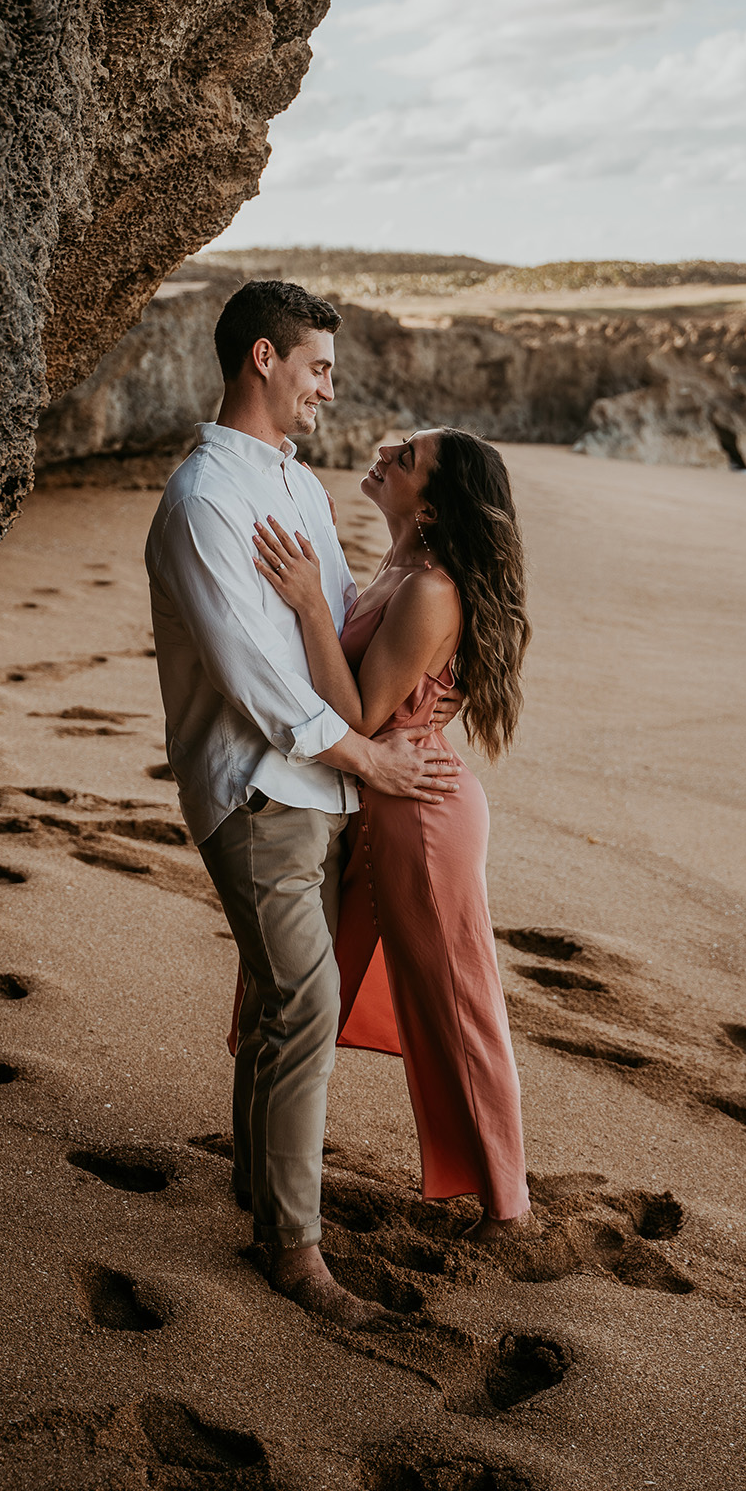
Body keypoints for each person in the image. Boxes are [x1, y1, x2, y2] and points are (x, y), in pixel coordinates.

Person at [144, 280, 461, 1328]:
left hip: (321, 789)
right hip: (256, 791)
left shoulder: (297, 488)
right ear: (264, 360)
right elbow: (258, 682)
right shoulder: (206, 502)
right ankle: (295, 1252)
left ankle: (254, 1189)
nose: (331, 388)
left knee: (285, 1003)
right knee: (306, 1003)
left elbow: (328, 640)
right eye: (318, 366)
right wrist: (373, 765)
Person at [252, 426, 533, 1242]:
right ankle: (267, 1144)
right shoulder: (396, 567)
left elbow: (356, 717)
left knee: (456, 999)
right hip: (379, 800)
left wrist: (309, 601)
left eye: (404, 458)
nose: (384, 454)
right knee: (324, 982)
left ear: (436, 504)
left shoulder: (431, 590)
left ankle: (507, 1207)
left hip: (422, 814)